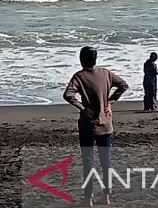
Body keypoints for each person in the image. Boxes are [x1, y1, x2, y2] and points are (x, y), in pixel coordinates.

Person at [64, 46, 128, 207]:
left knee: (88, 162)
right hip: (106, 124)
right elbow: (123, 85)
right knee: (106, 161)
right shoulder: (105, 73)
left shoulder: (79, 76)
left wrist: (82, 108)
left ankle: (88, 198)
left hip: (88, 125)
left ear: (81, 59)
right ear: (95, 59)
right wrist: (110, 102)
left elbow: (68, 95)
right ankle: (106, 196)